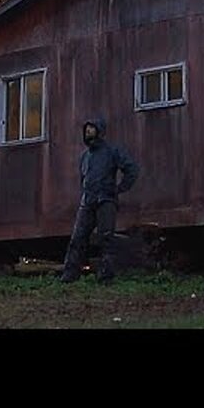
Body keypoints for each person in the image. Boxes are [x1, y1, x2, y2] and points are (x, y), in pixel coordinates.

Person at [60, 118, 139, 284]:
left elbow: (131, 169)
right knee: (78, 238)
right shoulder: (85, 156)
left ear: (99, 130)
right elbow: (84, 178)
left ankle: (106, 276)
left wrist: (119, 188)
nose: (88, 131)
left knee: (106, 239)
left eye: (92, 128)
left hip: (106, 200)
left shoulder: (112, 151)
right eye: (86, 128)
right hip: (87, 202)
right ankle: (69, 275)